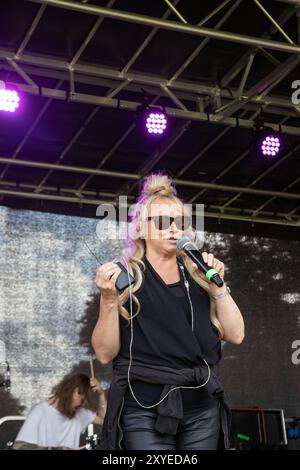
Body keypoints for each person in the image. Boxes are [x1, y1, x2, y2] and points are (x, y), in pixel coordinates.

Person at [92, 173, 245, 450]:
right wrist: (108, 299)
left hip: (201, 409)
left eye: (181, 223)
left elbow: (236, 335)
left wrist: (218, 287)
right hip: (143, 408)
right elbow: (104, 352)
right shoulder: (125, 278)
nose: (174, 229)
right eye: (162, 222)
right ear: (140, 228)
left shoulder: (199, 274)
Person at [13, 373, 107, 450]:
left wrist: (101, 394)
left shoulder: (80, 413)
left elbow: (106, 421)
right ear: (74, 391)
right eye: (82, 400)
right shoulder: (40, 411)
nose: (82, 405)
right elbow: (19, 447)